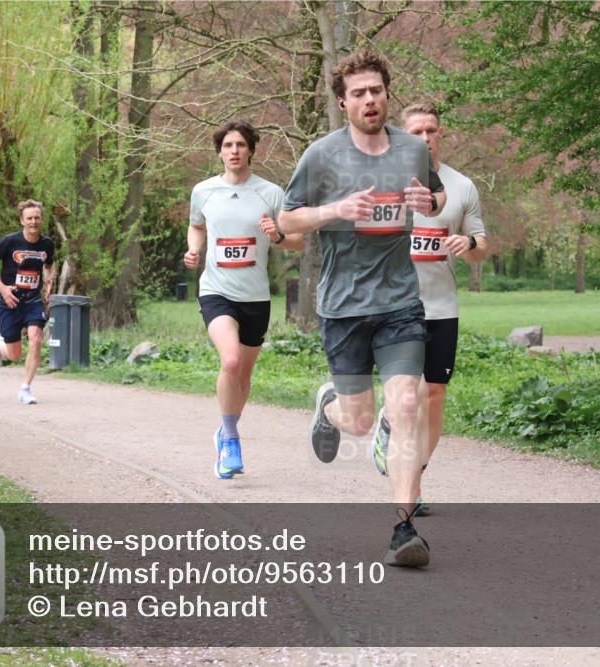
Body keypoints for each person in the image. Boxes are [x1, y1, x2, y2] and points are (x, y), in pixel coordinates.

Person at [278, 50, 446, 568]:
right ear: (342, 102)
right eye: (358, 93)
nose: (369, 100)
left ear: (387, 94)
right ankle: (329, 407)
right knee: (359, 421)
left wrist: (428, 204)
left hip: (399, 302)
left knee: (406, 406)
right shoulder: (322, 155)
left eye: (376, 90)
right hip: (344, 306)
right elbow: (286, 221)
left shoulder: (412, 150)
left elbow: (437, 196)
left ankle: (403, 529)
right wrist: (336, 210)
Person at [370, 103, 488, 516]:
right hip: (395, 307)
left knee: (434, 396)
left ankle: (414, 478)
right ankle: (390, 425)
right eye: (416, 132)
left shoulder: (462, 186)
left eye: (431, 130)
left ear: (441, 134)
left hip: (442, 307)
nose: (424, 138)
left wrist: (468, 244)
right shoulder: (384, 181)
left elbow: (481, 245)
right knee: (412, 392)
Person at [185, 120, 305, 479]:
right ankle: (231, 439)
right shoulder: (204, 191)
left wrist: (278, 236)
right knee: (232, 361)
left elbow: (298, 241)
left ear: (251, 149)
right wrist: (194, 249)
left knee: (244, 374)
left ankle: (225, 431)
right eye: (227, 145)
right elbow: (196, 225)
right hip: (216, 291)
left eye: (240, 144)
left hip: (255, 297)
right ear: (219, 152)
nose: (234, 151)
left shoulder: (271, 193)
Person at [0, 200, 56, 405]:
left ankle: (25, 388)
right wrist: (2, 288)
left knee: (36, 339)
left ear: (41, 220)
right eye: (29, 218)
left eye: (37, 218)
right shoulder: (9, 242)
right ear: (22, 221)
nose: (33, 221)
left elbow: (49, 266)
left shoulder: (47, 244)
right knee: (14, 355)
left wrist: (49, 281)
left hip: (33, 300)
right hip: (10, 301)